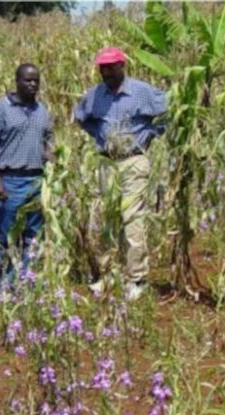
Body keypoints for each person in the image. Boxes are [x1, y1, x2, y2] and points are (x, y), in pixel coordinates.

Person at [74, 47, 166, 301]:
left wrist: (150, 135)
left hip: (133, 161)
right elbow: (81, 117)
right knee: (105, 218)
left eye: (111, 68)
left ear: (122, 66)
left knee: (131, 217)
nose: (106, 73)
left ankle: (137, 278)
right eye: (102, 68)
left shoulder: (142, 91)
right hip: (107, 164)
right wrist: (99, 137)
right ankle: (108, 275)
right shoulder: (95, 95)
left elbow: (166, 113)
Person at [0, 63, 53, 297]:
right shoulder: (0, 109)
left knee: (33, 236)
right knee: (8, 235)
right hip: (10, 181)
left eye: (36, 81)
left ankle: (27, 285)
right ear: (17, 81)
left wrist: (55, 161)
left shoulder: (42, 110)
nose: (32, 85)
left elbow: (47, 143)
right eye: (28, 80)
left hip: (36, 181)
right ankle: (4, 286)